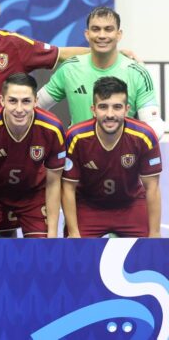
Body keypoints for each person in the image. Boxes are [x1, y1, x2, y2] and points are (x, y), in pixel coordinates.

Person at [38, 6, 164, 136]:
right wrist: (52, 140)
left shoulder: (138, 73)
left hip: (122, 154)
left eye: (108, 29)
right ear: (87, 34)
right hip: (78, 153)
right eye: (96, 29)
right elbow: (35, 107)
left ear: (119, 34)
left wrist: (136, 144)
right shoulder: (69, 68)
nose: (102, 35)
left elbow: (153, 125)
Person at [62, 76, 162, 238]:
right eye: (103, 107)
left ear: (127, 109)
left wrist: (155, 233)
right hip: (88, 206)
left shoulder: (144, 136)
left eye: (117, 107)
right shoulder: (76, 137)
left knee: (147, 254)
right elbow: (68, 188)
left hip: (131, 205)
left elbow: (152, 188)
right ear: (93, 109)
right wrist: (73, 232)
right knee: (76, 256)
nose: (110, 114)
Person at [0, 73, 66, 238]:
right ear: (2, 101)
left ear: (36, 101)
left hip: (33, 195)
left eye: (26, 101)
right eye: (13, 101)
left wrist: (52, 234)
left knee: (43, 250)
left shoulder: (53, 128)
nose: (19, 109)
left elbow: (53, 183)